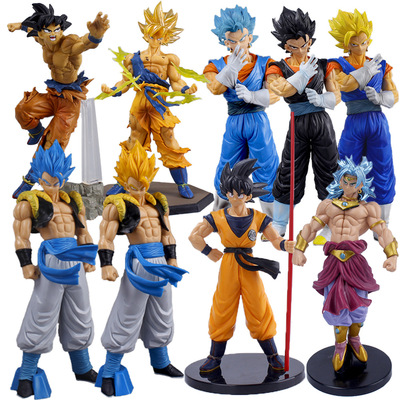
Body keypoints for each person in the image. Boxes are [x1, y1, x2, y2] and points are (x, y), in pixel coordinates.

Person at [96, 141, 187, 396]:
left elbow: (167, 234)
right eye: (134, 185)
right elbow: (105, 237)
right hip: (139, 263)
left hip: (161, 264)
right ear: (124, 182)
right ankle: (110, 370)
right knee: (127, 313)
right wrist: (106, 265)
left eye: (144, 184)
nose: (140, 190)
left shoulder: (157, 203)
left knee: (162, 311)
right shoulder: (117, 205)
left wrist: (172, 260)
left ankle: (161, 361)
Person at [189, 159, 295, 374]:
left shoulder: (259, 217)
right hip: (228, 265)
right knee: (222, 308)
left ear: (248, 196)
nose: (234, 198)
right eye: (230, 193)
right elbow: (194, 236)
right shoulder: (217, 217)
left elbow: (275, 240)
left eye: (239, 194)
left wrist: (285, 245)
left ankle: (272, 355)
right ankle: (214, 356)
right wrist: (208, 251)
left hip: (249, 265)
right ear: (225, 194)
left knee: (258, 307)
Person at [293, 156, 397, 372]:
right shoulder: (328, 205)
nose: (348, 186)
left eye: (353, 182)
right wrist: (299, 249)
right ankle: (340, 345)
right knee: (336, 306)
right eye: (345, 181)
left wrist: (392, 254)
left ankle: (355, 340)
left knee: (358, 307)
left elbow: (382, 231)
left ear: (361, 185)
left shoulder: (368, 209)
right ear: (339, 181)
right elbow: (311, 227)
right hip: (333, 263)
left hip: (355, 263)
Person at [12, 140, 98, 398]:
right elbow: (21, 237)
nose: (53, 185)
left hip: (75, 259)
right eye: (48, 181)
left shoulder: (74, 201)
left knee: (80, 311)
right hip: (51, 260)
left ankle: (82, 367)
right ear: (39, 178)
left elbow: (83, 231)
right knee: (42, 313)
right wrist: (26, 264)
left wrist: (88, 256)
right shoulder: (29, 202)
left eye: (58, 180)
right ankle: (27, 373)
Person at [8, 3, 109, 198]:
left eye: (57, 29)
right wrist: (18, 25)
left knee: (52, 145)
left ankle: (29, 180)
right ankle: (36, 131)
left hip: (69, 101)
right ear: (42, 32)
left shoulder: (68, 43)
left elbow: (85, 44)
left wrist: (96, 35)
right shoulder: (43, 40)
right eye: (49, 30)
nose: (54, 34)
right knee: (23, 109)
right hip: (53, 94)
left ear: (62, 30)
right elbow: (31, 29)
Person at [101, 2, 197, 199]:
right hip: (140, 103)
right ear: (145, 35)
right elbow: (125, 82)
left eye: (159, 36)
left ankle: (182, 183)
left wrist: (186, 89)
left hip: (159, 104)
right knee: (134, 141)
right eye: (152, 35)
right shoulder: (133, 58)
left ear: (166, 37)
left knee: (169, 139)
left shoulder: (169, 59)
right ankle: (123, 182)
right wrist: (112, 90)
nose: (155, 40)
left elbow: (176, 81)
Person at [266, 7, 340, 237]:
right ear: (285, 45)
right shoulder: (277, 67)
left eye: (304, 45)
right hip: (297, 122)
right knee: (290, 169)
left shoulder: (324, 64)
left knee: (329, 169)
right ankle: (279, 222)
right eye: (293, 46)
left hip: (321, 121)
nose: (300, 50)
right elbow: (281, 90)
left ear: (310, 41)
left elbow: (336, 95)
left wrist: (323, 99)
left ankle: (330, 222)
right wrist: (301, 75)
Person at [203, 5, 279, 216]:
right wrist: (230, 69)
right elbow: (214, 88)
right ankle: (219, 215)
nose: (237, 45)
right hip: (234, 122)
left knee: (266, 166)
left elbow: (276, 94)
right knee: (227, 167)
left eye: (241, 39)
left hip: (258, 120)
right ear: (225, 41)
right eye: (231, 41)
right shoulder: (216, 65)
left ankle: (273, 220)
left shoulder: (266, 63)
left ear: (250, 38)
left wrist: (254, 96)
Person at [328, 9, 398, 236]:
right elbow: (342, 85)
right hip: (354, 120)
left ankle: (381, 223)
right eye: (354, 44)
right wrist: (362, 73)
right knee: (346, 165)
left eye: (364, 42)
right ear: (346, 44)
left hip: (377, 120)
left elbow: (394, 95)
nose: (360, 48)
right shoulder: (337, 64)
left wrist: (380, 98)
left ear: (369, 41)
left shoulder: (381, 64)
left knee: (383, 166)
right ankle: (336, 219)